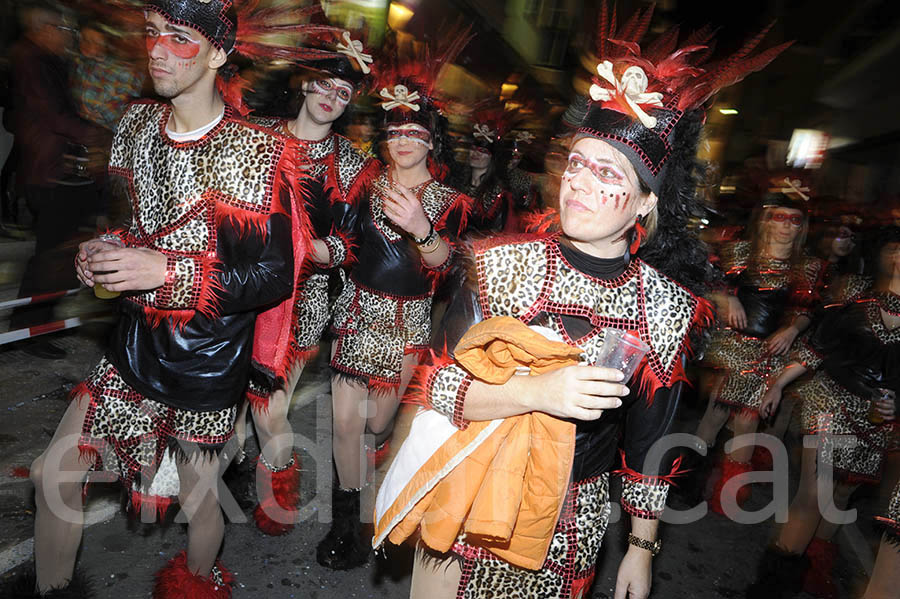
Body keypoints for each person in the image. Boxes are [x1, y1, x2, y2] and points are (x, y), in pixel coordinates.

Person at [373, 6, 788, 597]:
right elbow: (439, 387)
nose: (581, 182)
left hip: (571, 520)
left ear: (647, 203)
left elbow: (648, 446)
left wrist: (641, 553)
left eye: (608, 172)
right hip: (471, 485)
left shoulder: (666, 307)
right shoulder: (500, 265)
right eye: (578, 163)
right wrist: (531, 392)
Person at [10, 1, 312, 596]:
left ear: (219, 53)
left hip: (205, 363)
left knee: (198, 505)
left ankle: (196, 583)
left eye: (178, 38)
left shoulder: (257, 150)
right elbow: (137, 224)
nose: (156, 49)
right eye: (152, 34)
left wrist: (164, 271)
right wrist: (104, 247)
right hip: (130, 348)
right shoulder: (135, 126)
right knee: (53, 476)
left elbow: (273, 277)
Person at [319, 34, 473, 570]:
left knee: (376, 426)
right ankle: (352, 526)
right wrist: (316, 249)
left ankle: (379, 466)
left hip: (405, 326)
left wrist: (421, 228)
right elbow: (345, 242)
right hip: (356, 312)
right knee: (343, 425)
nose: (403, 141)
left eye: (415, 132)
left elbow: (444, 263)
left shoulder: (449, 200)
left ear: (431, 142)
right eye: (395, 131)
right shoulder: (364, 182)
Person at [239, 33, 379, 536]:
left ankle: (278, 492)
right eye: (325, 84)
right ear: (304, 83)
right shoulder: (257, 133)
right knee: (237, 396)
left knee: (268, 406)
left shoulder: (354, 164)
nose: (331, 97)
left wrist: (321, 251)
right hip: (239, 288)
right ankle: (238, 469)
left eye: (343, 93)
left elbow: (356, 242)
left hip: (304, 298)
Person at [748, 227, 900, 598]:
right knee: (816, 493)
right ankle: (773, 586)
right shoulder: (856, 299)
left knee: (838, 500)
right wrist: (778, 385)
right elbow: (815, 351)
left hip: (876, 422)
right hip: (828, 401)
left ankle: (812, 564)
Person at [694, 193, 825, 514]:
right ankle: (689, 479)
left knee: (747, 423)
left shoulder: (806, 267)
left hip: (771, 353)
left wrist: (793, 329)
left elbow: (808, 310)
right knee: (715, 416)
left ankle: (727, 495)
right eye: (778, 217)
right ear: (765, 220)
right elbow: (705, 279)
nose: (786, 226)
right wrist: (728, 298)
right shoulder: (741, 252)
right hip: (732, 347)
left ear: (801, 227)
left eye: (794, 220)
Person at [7, 1, 107, 358]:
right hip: (50, 174)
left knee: (58, 251)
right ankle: (29, 330)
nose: (68, 37)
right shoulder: (31, 60)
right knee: (52, 255)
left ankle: (34, 326)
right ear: (43, 29)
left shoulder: (45, 60)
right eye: (64, 30)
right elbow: (53, 115)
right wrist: (99, 133)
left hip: (60, 172)